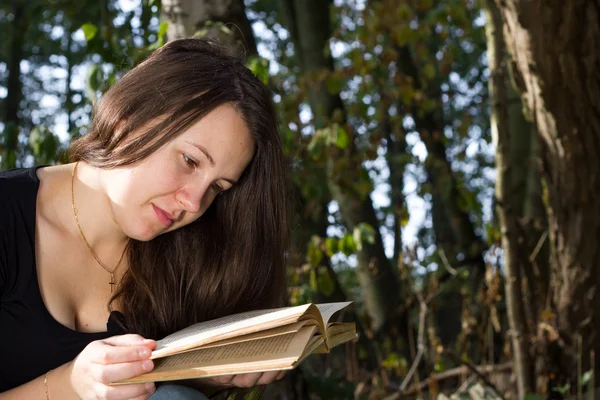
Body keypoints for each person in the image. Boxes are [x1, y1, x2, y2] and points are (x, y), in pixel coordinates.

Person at [0, 37, 290, 399]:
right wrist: (68, 386)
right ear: (129, 119)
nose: (194, 202)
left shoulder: (182, 257)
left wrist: (211, 376)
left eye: (217, 186)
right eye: (189, 161)